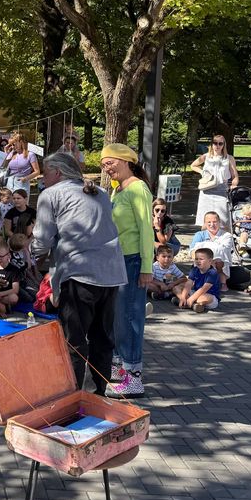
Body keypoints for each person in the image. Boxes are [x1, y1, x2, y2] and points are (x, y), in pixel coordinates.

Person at [31, 152, 127, 395]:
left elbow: (42, 239)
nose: (42, 177)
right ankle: (98, 394)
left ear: (57, 172)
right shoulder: (99, 192)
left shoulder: (51, 194)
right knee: (102, 338)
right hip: (110, 273)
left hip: (79, 273)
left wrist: (29, 254)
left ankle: (72, 396)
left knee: (73, 340)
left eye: (45, 172)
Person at [101, 143, 153, 398]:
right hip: (117, 260)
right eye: (103, 165)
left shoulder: (137, 188)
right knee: (117, 317)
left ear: (126, 161)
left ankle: (134, 377)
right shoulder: (118, 189)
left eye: (109, 163)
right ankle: (120, 367)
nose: (106, 168)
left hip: (132, 260)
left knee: (131, 317)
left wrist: (146, 267)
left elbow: (146, 228)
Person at [189, 133, 238, 226]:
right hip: (207, 190)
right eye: (215, 143)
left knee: (223, 220)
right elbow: (193, 165)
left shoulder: (229, 158)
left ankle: (223, 235)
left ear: (224, 145)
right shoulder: (206, 156)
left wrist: (234, 185)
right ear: (212, 144)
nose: (217, 146)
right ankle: (205, 235)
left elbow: (235, 176)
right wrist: (202, 172)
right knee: (205, 220)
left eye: (220, 143)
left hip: (222, 190)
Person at [175, 247, 221, 312]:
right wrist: (183, 297)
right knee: (176, 288)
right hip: (195, 292)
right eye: (196, 259)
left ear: (210, 261)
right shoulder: (194, 269)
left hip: (209, 296)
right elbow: (188, 284)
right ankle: (186, 302)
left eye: (201, 259)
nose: (198, 261)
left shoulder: (212, 273)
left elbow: (204, 288)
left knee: (204, 298)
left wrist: (192, 298)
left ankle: (187, 302)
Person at [1, 133, 41, 204]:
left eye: (14, 144)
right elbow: (3, 166)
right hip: (10, 183)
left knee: (21, 206)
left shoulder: (30, 155)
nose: (13, 146)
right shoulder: (12, 153)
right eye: (11, 144)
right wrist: (6, 153)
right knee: (9, 207)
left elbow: (37, 171)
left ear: (21, 142)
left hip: (22, 183)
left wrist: (26, 178)